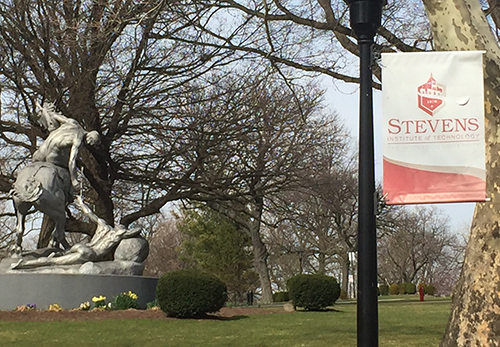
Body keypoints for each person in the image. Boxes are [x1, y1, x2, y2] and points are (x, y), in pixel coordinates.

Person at [11, 196, 141, 269]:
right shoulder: (118, 234)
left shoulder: (104, 227)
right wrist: (129, 231)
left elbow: (89, 213)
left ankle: (30, 261)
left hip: (83, 246)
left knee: (58, 257)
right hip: (89, 253)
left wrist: (80, 201)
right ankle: (24, 264)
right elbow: (136, 230)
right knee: (53, 262)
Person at [32, 103, 100, 190]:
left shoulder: (72, 122)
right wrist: (74, 180)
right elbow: (71, 161)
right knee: (67, 176)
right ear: (90, 136)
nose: (89, 145)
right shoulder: (78, 139)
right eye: (91, 142)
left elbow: (53, 115)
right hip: (52, 159)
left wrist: (46, 112)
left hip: (40, 153)